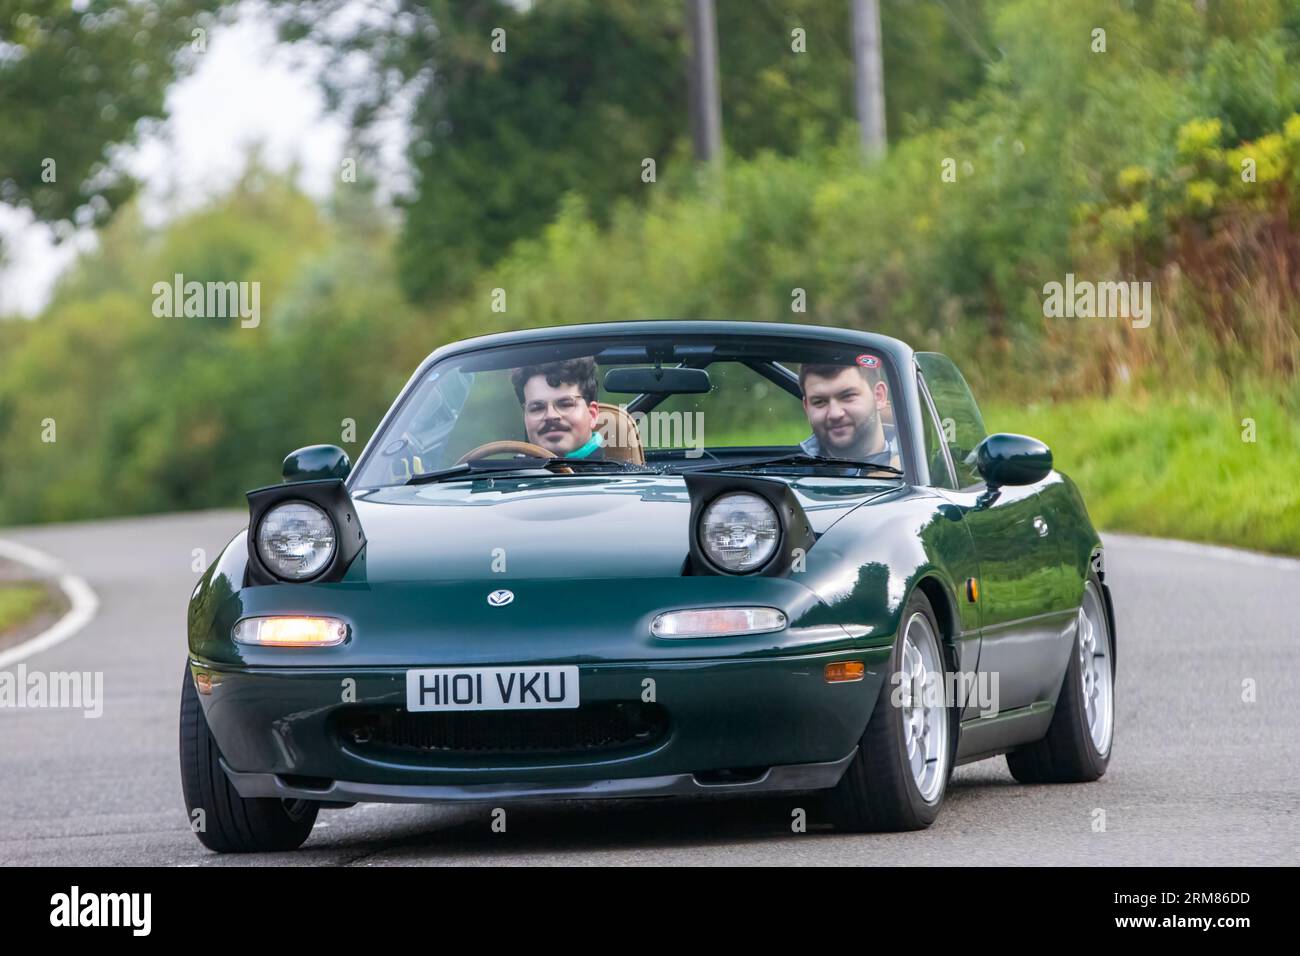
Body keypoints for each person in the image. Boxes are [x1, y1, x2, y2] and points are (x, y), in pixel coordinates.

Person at [799, 360, 899, 465]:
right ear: (807, 408)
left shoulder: (915, 466)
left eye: (847, 396)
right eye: (819, 402)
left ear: (879, 396)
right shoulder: (789, 472)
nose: (835, 414)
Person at [510, 357, 606, 459]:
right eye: (537, 408)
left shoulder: (617, 474)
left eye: (565, 404)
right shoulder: (505, 473)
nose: (551, 415)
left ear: (592, 414)